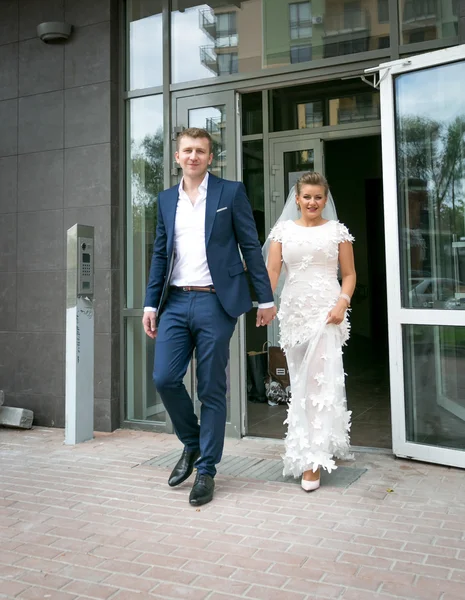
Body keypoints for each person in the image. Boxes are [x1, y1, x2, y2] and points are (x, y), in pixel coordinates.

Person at [142, 127, 276, 506]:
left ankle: (207, 471)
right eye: (187, 150)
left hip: (216, 303)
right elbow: (159, 254)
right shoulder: (166, 199)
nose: (193, 156)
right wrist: (151, 304)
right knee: (164, 377)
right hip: (175, 303)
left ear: (210, 157)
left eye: (201, 150)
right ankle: (192, 442)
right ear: (177, 157)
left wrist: (264, 299)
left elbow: (250, 246)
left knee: (211, 388)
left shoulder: (230, 192)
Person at [265, 172, 356, 492]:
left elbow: (349, 274)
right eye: (307, 197)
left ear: (325, 199)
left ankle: (314, 460)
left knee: (320, 382)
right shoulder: (283, 232)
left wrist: (342, 303)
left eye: (318, 197)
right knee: (300, 382)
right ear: (297, 199)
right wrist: (266, 304)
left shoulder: (337, 232)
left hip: (326, 314)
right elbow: (273, 271)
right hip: (293, 314)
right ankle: (304, 445)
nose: (312, 202)